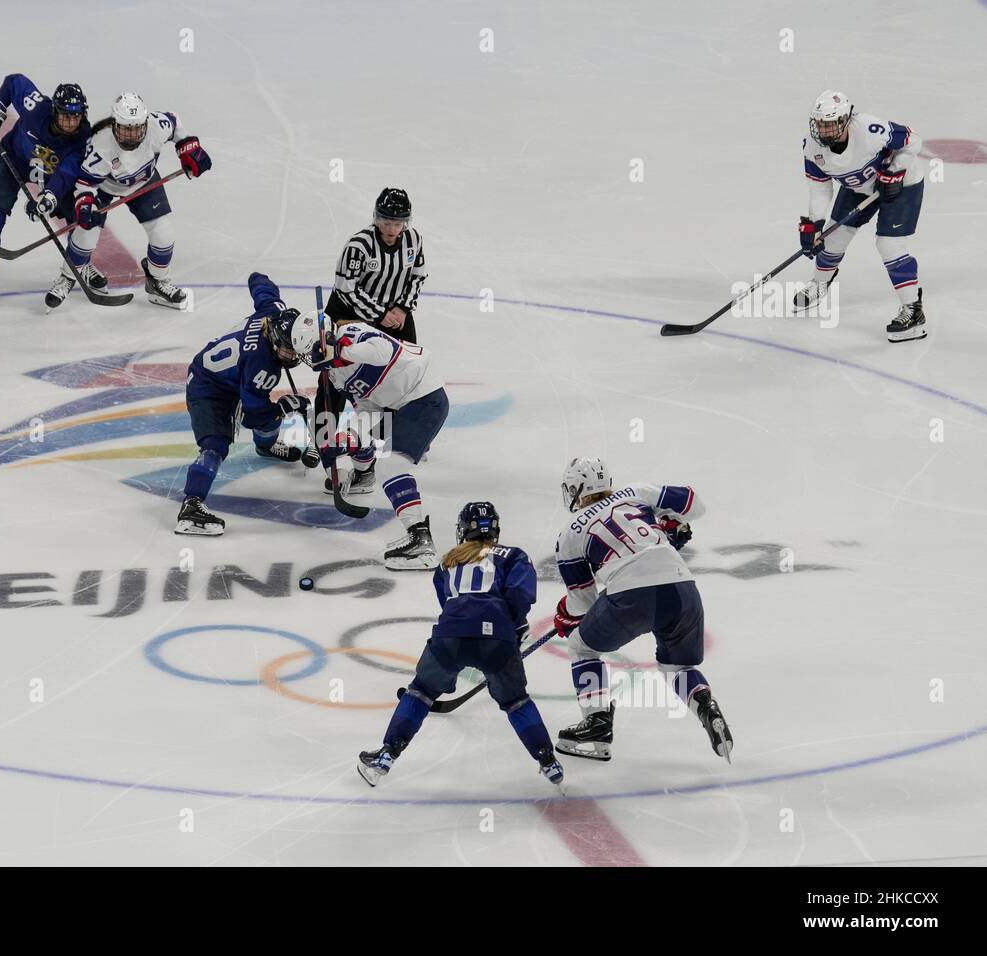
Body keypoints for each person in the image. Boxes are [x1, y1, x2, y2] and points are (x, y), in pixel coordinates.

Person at [356, 502, 564, 787]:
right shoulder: (514, 556)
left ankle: (386, 756)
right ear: (496, 529)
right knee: (516, 701)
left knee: (420, 693)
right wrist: (512, 628)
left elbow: (450, 605)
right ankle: (549, 762)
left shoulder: (447, 562)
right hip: (497, 640)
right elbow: (519, 595)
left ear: (462, 530)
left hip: (450, 636)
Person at [551, 457, 733, 762]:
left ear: (580, 489)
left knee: (582, 648)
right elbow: (694, 504)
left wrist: (567, 618)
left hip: (630, 597)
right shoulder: (637, 491)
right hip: (682, 589)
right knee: (678, 668)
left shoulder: (570, 533)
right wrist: (668, 525)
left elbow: (582, 603)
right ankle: (705, 704)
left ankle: (597, 723)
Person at [292, 313, 448, 569]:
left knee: (390, 465)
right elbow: (368, 407)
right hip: (398, 404)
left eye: (313, 351)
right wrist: (348, 438)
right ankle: (363, 476)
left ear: (326, 340)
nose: (312, 359)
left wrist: (343, 352)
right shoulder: (335, 373)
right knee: (362, 439)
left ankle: (421, 541)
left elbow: (384, 351)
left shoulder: (353, 334)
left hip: (424, 395)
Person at [46, 92, 211, 310]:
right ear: (115, 125)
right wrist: (86, 205)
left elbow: (174, 122)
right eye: (125, 129)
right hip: (105, 186)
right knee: (86, 234)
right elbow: (85, 184)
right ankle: (68, 276)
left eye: (136, 128)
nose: (131, 135)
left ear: (144, 124)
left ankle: (158, 282)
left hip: (144, 182)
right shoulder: (101, 146)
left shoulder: (155, 126)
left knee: (163, 235)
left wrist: (189, 148)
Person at [174, 273, 308, 535]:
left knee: (266, 406)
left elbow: (259, 283)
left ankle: (266, 447)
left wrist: (261, 281)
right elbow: (253, 416)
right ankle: (191, 507)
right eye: (286, 350)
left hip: (231, 374)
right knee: (216, 445)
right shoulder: (262, 366)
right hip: (208, 387)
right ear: (273, 337)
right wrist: (285, 406)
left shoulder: (273, 313)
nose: (291, 356)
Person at [795, 90, 927, 342]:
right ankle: (820, 284)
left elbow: (913, 140)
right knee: (832, 238)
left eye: (831, 124)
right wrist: (815, 224)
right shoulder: (813, 148)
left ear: (845, 119)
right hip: (858, 187)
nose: (824, 130)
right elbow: (821, 189)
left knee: (888, 245)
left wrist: (896, 170)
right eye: (821, 124)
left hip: (902, 185)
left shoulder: (870, 129)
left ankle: (914, 311)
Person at [0, 76, 91, 304]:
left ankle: (80, 264)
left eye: (76, 116)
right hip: (12, 158)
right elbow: (14, 82)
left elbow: (66, 174)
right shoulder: (37, 107)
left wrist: (48, 197)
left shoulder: (82, 140)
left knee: (78, 218)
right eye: (65, 116)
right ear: (53, 111)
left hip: (52, 175)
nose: (71, 123)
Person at [315, 187, 428, 446]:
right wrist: (379, 315)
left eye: (397, 223)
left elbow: (418, 276)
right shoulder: (359, 246)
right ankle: (321, 441)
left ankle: (381, 436)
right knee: (333, 378)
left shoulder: (414, 240)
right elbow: (346, 288)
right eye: (386, 221)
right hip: (348, 314)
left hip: (395, 315)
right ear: (377, 218)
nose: (391, 228)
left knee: (402, 373)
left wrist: (402, 308)